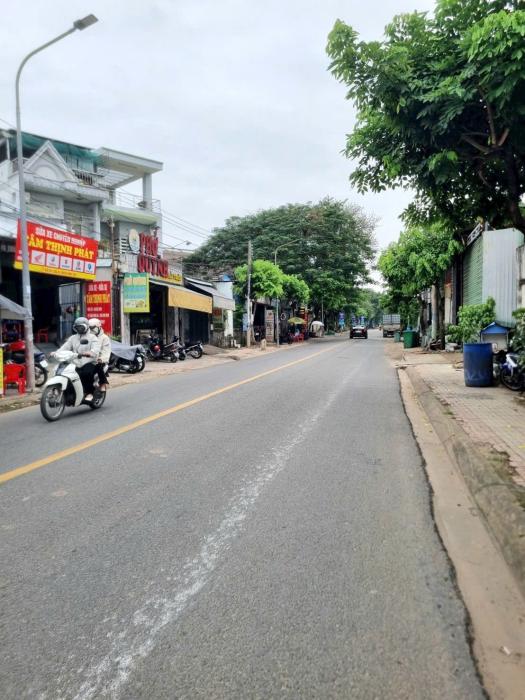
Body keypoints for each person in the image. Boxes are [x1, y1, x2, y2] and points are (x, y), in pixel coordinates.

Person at [53, 316, 100, 401]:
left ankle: (89, 393)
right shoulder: (73, 338)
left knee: (85, 373)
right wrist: (56, 352)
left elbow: (96, 349)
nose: (79, 329)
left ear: (86, 327)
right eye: (77, 327)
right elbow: (65, 347)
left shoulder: (92, 337)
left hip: (89, 362)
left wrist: (90, 353)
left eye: (81, 327)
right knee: (65, 373)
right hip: (75, 362)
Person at [88, 317, 111, 391]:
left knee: (98, 365)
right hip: (86, 359)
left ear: (99, 327)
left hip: (99, 360)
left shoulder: (104, 338)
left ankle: (103, 383)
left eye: (92, 328)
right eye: (89, 328)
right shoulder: (86, 337)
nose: (91, 330)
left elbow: (106, 351)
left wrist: (101, 359)